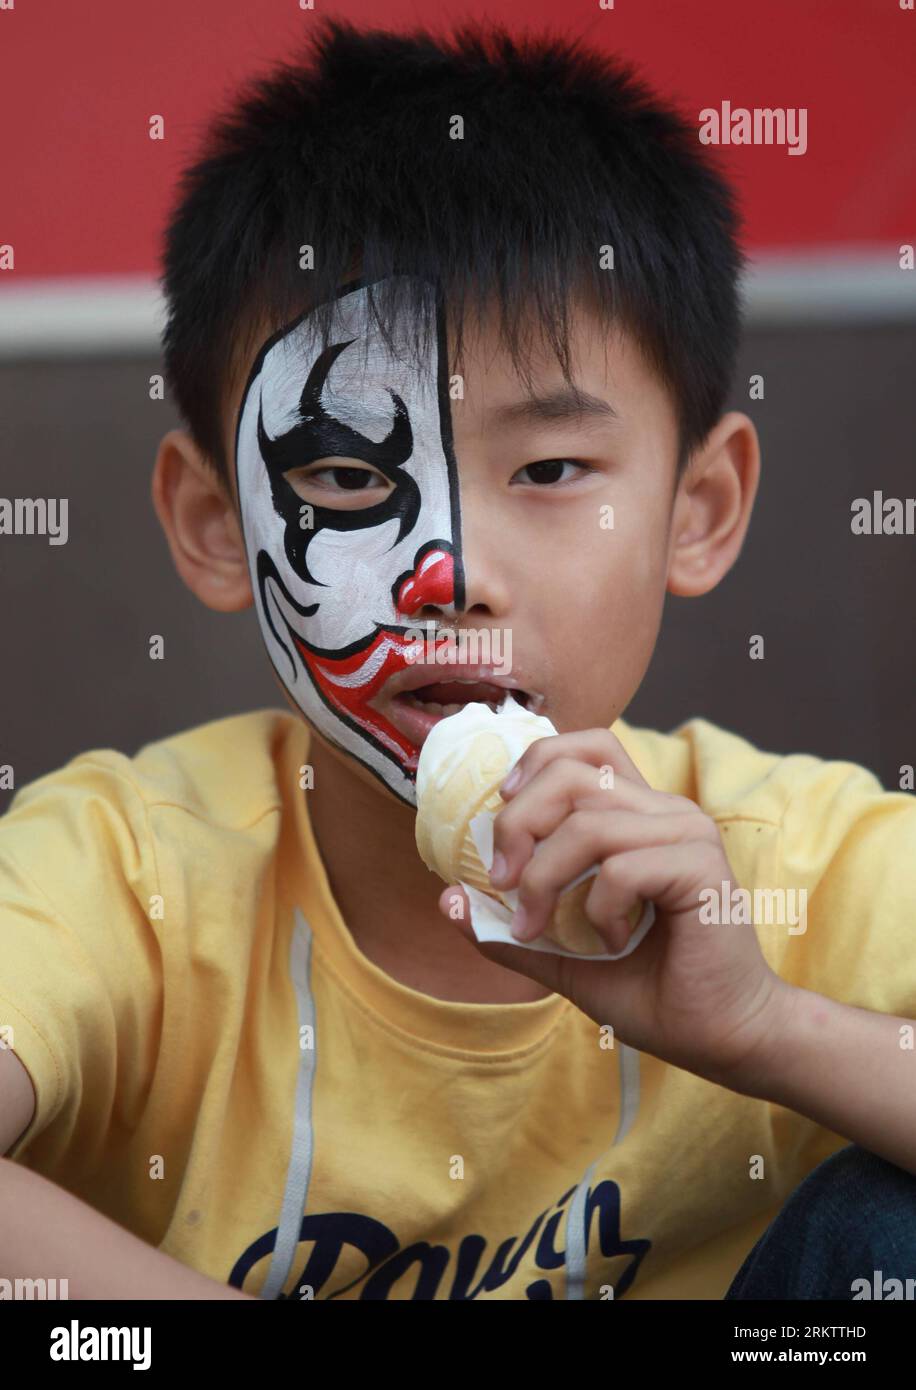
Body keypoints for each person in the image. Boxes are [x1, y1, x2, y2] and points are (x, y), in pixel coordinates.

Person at [1, 17, 915, 1302]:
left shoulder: (802, 863)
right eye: (348, 478)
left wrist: (767, 1028)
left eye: (548, 471)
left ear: (697, 509)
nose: (452, 572)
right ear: (214, 527)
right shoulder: (129, 873)